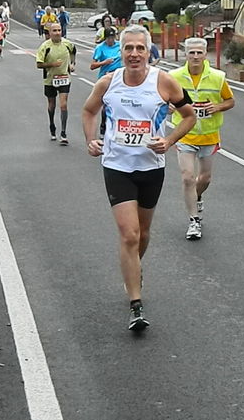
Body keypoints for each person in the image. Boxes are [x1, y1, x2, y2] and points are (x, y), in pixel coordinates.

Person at [81, 24, 196, 331]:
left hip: (151, 168)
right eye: (128, 48)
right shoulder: (108, 83)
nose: (134, 54)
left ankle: (134, 267)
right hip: (117, 166)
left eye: (139, 48)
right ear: (121, 52)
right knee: (129, 234)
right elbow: (89, 111)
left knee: (143, 234)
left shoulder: (164, 82)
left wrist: (169, 141)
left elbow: (190, 116)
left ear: (149, 52)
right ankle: (136, 304)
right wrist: (91, 139)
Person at [168, 37, 235, 240]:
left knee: (204, 179)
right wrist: (167, 105)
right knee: (187, 177)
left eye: (199, 52)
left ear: (205, 54)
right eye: (191, 53)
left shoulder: (218, 77)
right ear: (185, 54)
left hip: (208, 135)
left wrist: (217, 107)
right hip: (184, 135)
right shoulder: (173, 76)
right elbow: (162, 97)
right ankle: (193, 221)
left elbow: (230, 101)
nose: (195, 56)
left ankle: (197, 196)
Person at [36, 23, 76, 145]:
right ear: (50, 33)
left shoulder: (67, 44)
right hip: (49, 79)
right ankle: (52, 125)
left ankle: (63, 133)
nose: (58, 32)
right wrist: (52, 65)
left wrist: (72, 64)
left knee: (63, 105)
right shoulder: (45, 46)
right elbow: (38, 64)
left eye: (59, 30)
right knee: (52, 104)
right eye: (55, 31)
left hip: (64, 77)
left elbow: (73, 51)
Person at [90, 27, 122, 138]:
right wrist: (104, 62)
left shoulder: (120, 46)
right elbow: (92, 66)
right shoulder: (100, 48)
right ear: (105, 38)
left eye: (112, 37)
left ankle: (117, 127)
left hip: (119, 78)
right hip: (105, 78)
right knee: (106, 104)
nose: (111, 40)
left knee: (120, 103)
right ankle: (103, 127)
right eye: (109, 38)